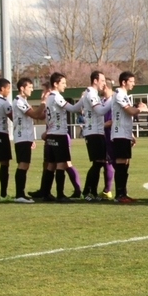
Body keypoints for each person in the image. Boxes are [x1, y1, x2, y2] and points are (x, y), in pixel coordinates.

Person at [44, 72, 83, 202]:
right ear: (55, 84)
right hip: (59, 134)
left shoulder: (49, 97)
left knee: (51, 165)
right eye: (63, 83)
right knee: (61, 164)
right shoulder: (56, 97)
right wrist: (83, 99)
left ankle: (46, 193)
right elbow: (73, 108)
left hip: (51, 134)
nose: (65, 85)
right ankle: (60, 195)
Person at [111, 71, 147, 203]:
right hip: (119, 134)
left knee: (125, 164)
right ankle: (119, 195)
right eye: (131, 81)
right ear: (123, 82)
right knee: (121, 164)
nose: (133, 84)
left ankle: (123, 193)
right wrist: (141, 109)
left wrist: (130, 135)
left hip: (124, 134)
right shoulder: (119, 94)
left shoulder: (124, 95)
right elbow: (130, 111)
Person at [79, 71, 113, 201]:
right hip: (93, 132)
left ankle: (92, 192)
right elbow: (100, 110)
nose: (104, 83)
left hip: (97, 132)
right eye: (102, 80)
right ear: (95, 81)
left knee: (99, 162)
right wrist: (113, 99)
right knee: (97, 163)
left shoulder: (92, 94)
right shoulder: (91, 93)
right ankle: (87, 192)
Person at [11, 78, 43, 203]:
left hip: (25, 137)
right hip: (21, 137)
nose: (32, 89)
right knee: (23, 165)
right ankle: (19, 195)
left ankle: (20, 194)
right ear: (22, 88)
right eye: (30, 87)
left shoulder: (23, 101)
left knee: (25, 165)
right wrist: (43, 103)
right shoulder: (19, 101)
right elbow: (35, 115)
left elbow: (37, 116)